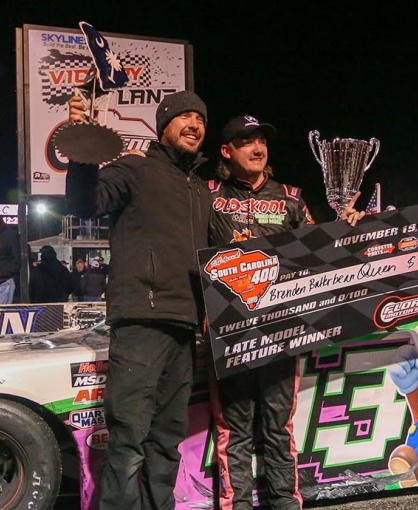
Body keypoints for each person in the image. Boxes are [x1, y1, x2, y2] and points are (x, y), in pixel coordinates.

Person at [67, 89, 211, 510]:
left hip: (185, 325)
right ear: (163, 125)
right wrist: (81, 147)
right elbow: (85, 203)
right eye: (183, 116)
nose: (194, 124)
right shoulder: (134, 168)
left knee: (167, 439)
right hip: (141, 323)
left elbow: (235, 250)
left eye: (200, 119)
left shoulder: (200, 188)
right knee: (128, 439)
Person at [206, 114, 316, 510]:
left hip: (282, 330)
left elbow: (319, 256)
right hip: (229, 332)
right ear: (226, 151)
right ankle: (234, 505)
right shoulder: (207, 194)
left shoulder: (290, 197)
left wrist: (348, 228)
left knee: (277, 425)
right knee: (233, 427)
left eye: (262, 142)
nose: (258, 149)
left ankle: (284, 502)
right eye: (246, 141)